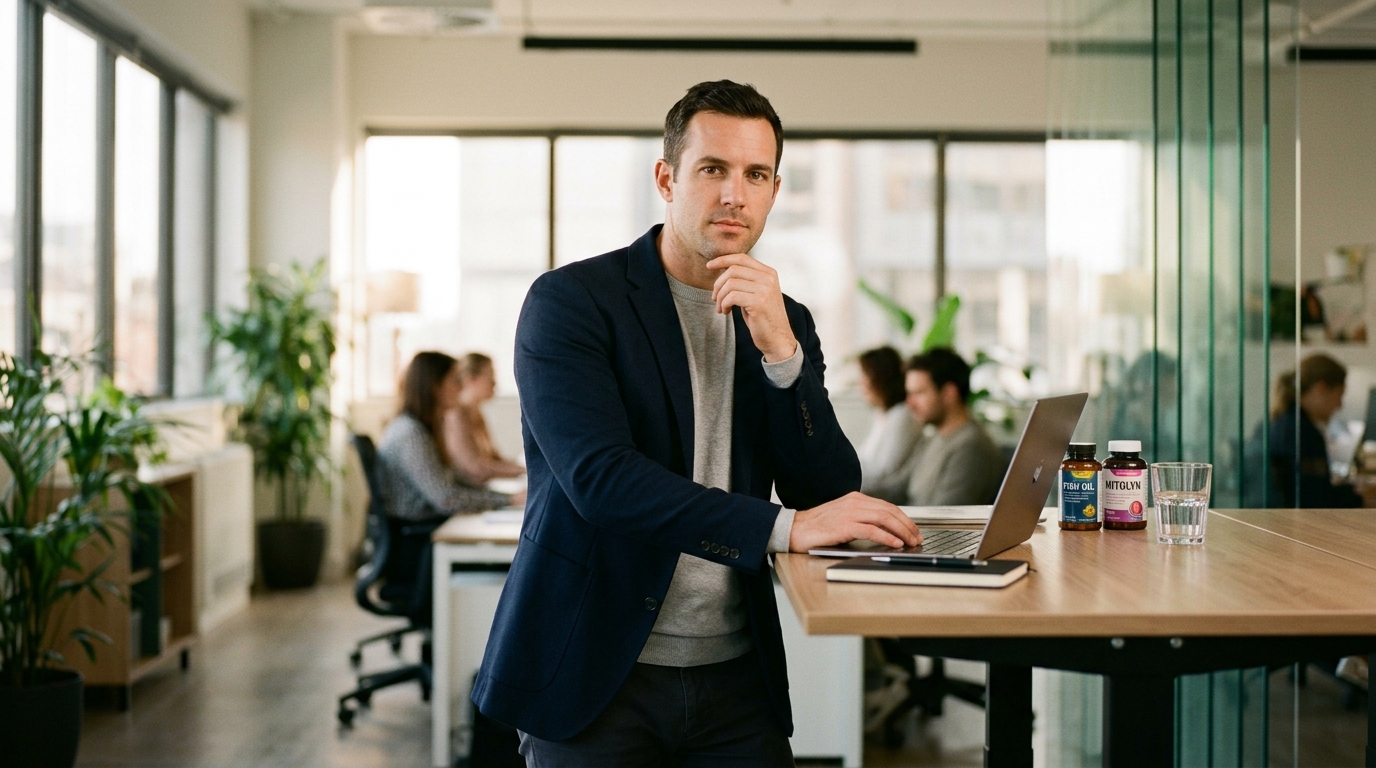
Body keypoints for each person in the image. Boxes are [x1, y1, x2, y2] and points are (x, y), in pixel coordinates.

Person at [472, 80, 920, 766]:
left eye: (755, 174)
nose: (734, 194)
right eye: (713, 169)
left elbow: (825, 489)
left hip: (737, 679)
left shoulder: (784, 317)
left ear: (773, 190)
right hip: (595, 672)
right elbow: (603, 481)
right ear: (667, 178)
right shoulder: (571, 304)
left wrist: (782, 355)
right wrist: (785, 531)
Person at [378, 351, 524, 522]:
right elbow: (446, 498)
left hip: (427, 525)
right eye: (456, 381)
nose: (462, 388)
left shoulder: (424, 428)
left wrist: (508, 497)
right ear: (435, 386)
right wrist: (509, 499)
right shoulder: (410, 433)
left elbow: (454, 480)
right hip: (418, 533)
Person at [902, 347, 1004, 506]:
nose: (910, 404)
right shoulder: (934, 437)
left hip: (926, 528)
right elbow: (899, 486)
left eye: (919, 393)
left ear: (949, 393)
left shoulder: (971, 447)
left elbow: (943, 515)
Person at [1267, 353, 1363, 508]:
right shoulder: (1304, 434)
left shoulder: (1283, 423)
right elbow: (1319, 502)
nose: (1340, 405)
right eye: (1339, 395)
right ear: (1321, 389)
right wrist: (1359, 497)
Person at [441, 352, 525, 484]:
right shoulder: (455, 416)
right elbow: (474, 467)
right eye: (490, 376)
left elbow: (494, 458)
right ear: (471, 379)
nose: (495, 383)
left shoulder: (477, 413)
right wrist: (522, 471)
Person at [856, 346, 923, 504]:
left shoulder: (903, 417)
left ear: (881, 377)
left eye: (865, 376)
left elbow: (883, 472)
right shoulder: (883, 415)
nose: (861, 384)